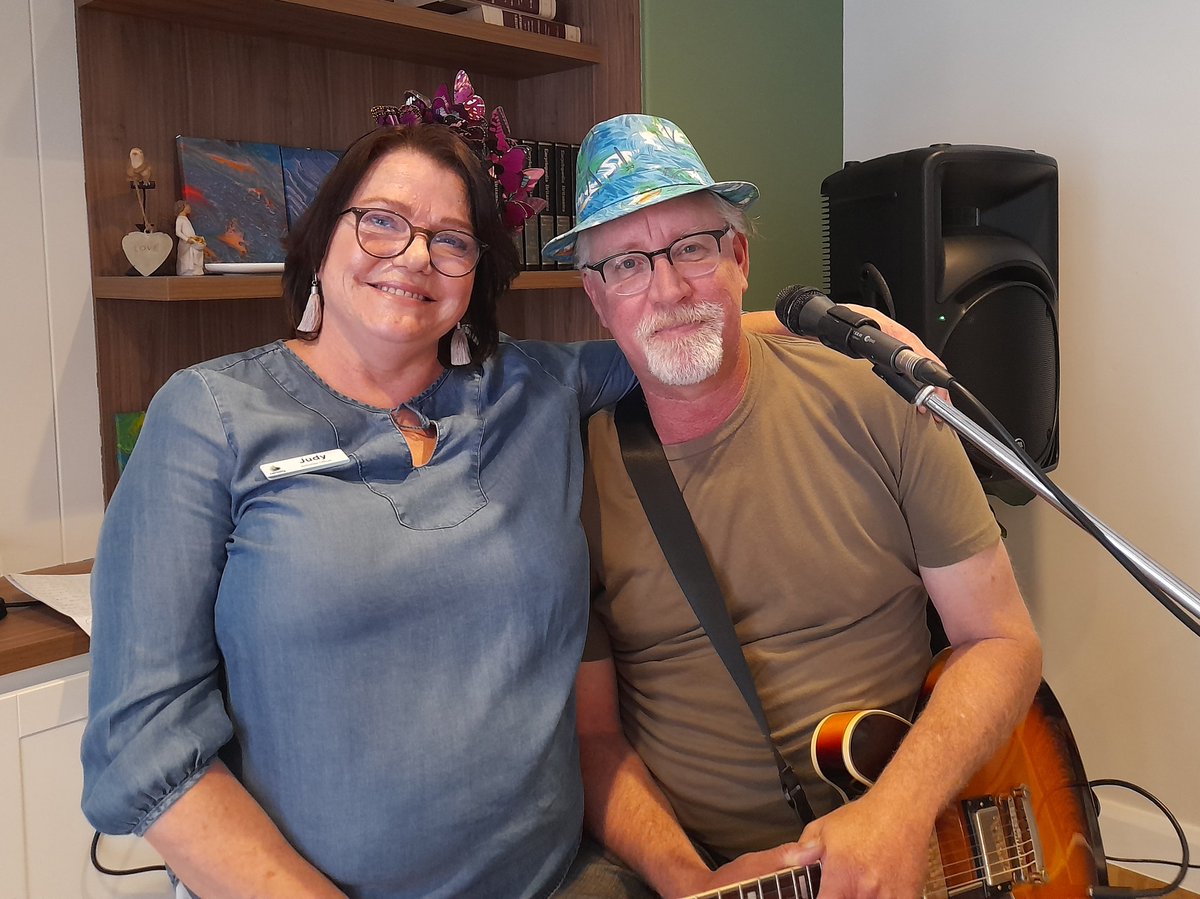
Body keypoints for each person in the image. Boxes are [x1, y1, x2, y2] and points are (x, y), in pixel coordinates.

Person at [543, 115, 1043, 899]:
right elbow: (594, 738)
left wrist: (899, 812)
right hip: (702, 863)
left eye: (693, 248)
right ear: (597, 298)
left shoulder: (880, 400)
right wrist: (690, 880)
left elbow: (1003, 641)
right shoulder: (574, 480)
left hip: (917, 826)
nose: (669, 289)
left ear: (739, 258)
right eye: (630, 265)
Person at [175, 200, 206, 275]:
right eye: (187, 206)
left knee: (194, 255)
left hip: (192, 242)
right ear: (182, 207)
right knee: (187, 258)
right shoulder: (180, 219)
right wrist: (187, 239)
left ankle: (195, 270)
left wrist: (196, 238)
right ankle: (187, 270)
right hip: (186, 243)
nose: (189, 208)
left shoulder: (185, 219)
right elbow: (178, 232)